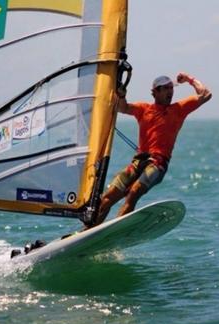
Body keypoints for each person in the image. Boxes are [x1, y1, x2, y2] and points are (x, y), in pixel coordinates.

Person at [90, 72, 212, 228]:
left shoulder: (179, 109)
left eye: (171, 88)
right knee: (108, 197)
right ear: (155, 92)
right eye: (165, 88)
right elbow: (123, 107)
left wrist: (189, 79)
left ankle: (113, 230)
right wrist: (121, 95)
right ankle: (88, 232)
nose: (170, 91)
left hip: (158, 163)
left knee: (134, 192)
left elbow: (206, 94)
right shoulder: (144, 109)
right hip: (138, 161)